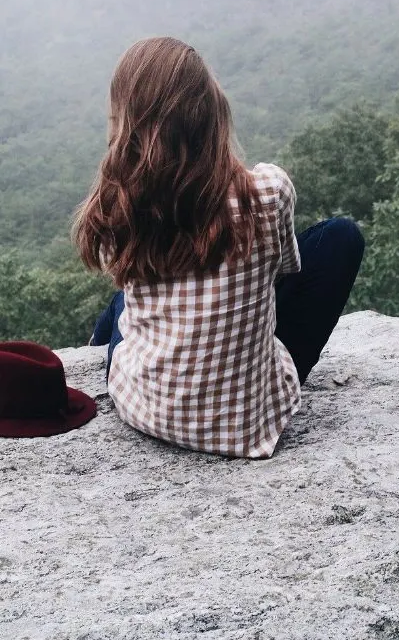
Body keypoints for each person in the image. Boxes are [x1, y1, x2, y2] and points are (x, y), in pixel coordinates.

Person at [74, 37, 364, 458]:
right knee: (340, 237)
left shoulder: (120, 205)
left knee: (122, 299)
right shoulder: (269, 190)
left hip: (143, 408)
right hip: (247, 425)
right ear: (211, 111)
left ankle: (93, 348)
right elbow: (284, 271)